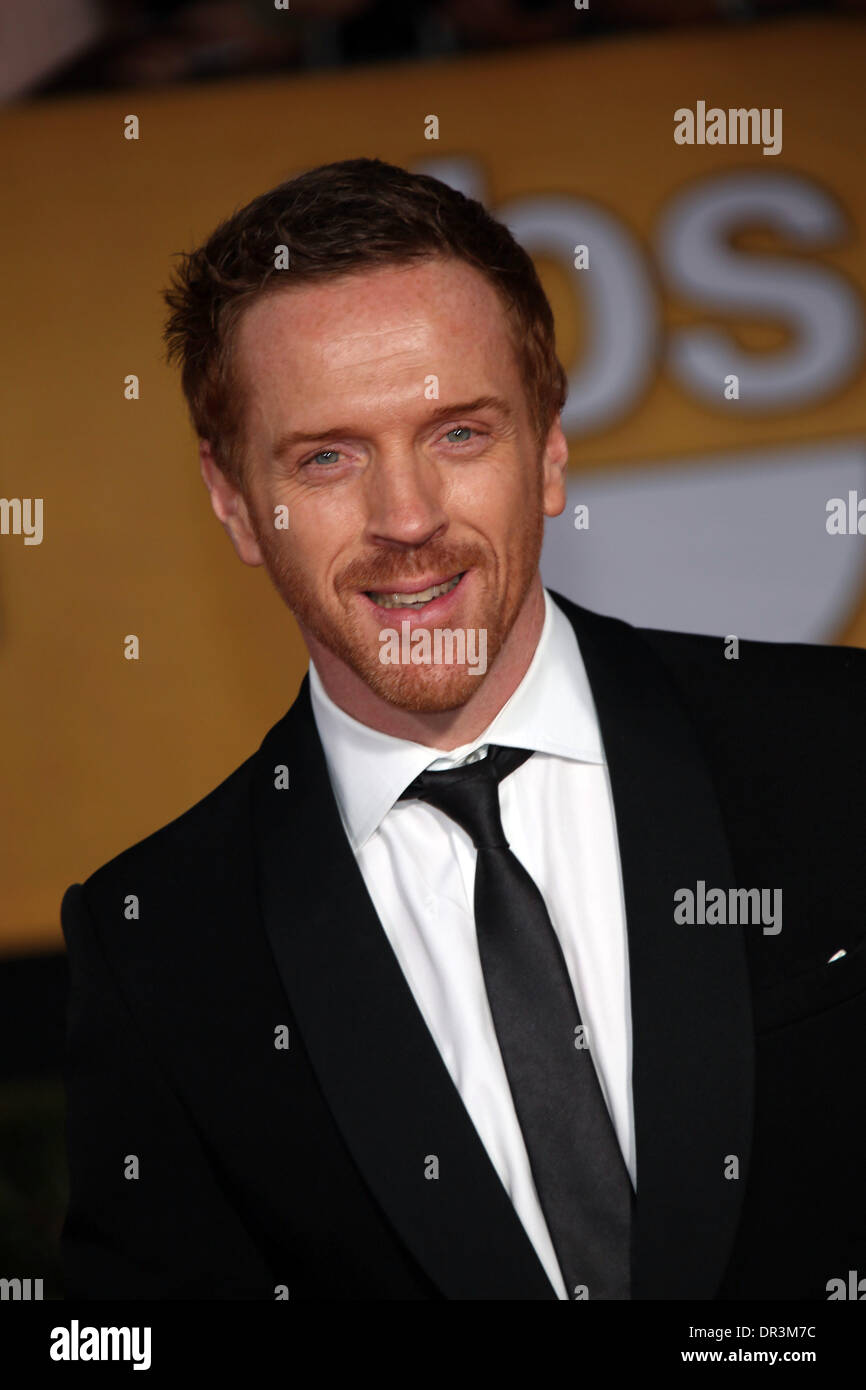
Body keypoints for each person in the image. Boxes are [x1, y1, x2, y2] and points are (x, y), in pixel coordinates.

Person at [60, 157, 866, 1301]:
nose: (405, 521)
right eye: (328, 456)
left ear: (546, 449)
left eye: (456, 435)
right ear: (234, 499)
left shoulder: (835, 752)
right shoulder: (160, 946)